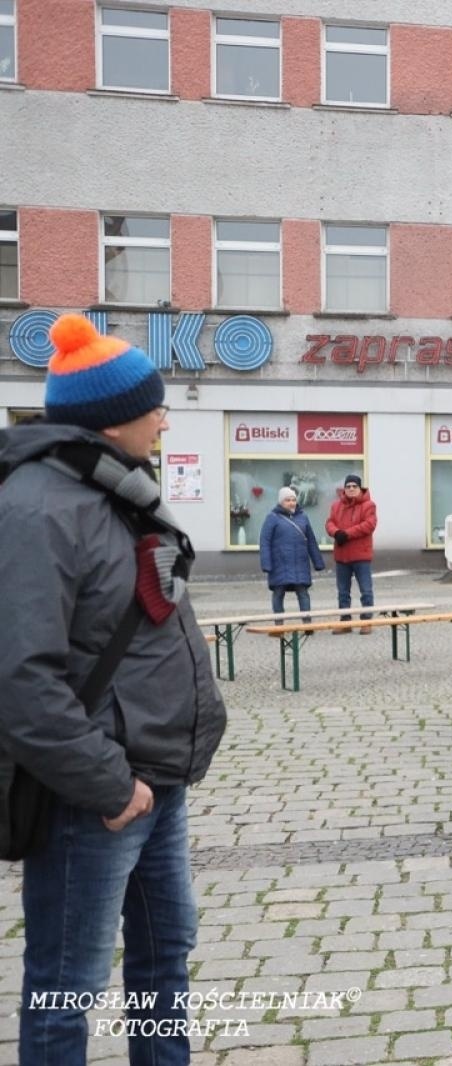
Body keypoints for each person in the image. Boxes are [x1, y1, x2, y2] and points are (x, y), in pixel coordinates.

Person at [0, 314, 227, 1062]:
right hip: (93, 798)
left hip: (155, 778)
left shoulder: (112, 490)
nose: (165, 416)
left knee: (166, 961)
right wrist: (108, 785)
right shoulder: (36, 507)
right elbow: (18, 678)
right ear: (113, 417)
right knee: (68, 985)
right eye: (155, 405)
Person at [259, 485, 325, 622]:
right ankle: (279, 625)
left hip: (300, 563)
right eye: (287, 500)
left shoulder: (303, 517)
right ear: (281, 502)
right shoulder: (272, 518)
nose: (291, 503)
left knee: (303, 593)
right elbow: (265, 542)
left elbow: (311, 541)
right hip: (279, 564)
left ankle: (307, 624)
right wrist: (266, 564)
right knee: (278, 594)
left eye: (293, 500)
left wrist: (318, 562)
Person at [326, 473, 378, 632]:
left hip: (361, 556)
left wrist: (347, 534)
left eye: (354, 486)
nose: (351, 489)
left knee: (366, 590)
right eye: (348, 486)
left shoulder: (369, 505)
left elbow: (369, 525)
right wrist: (336, 533)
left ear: (359, 488)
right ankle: (345, 622)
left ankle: (366, 621)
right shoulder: (336, 506)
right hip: (342, 556)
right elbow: (329, 523)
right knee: (343, 591)